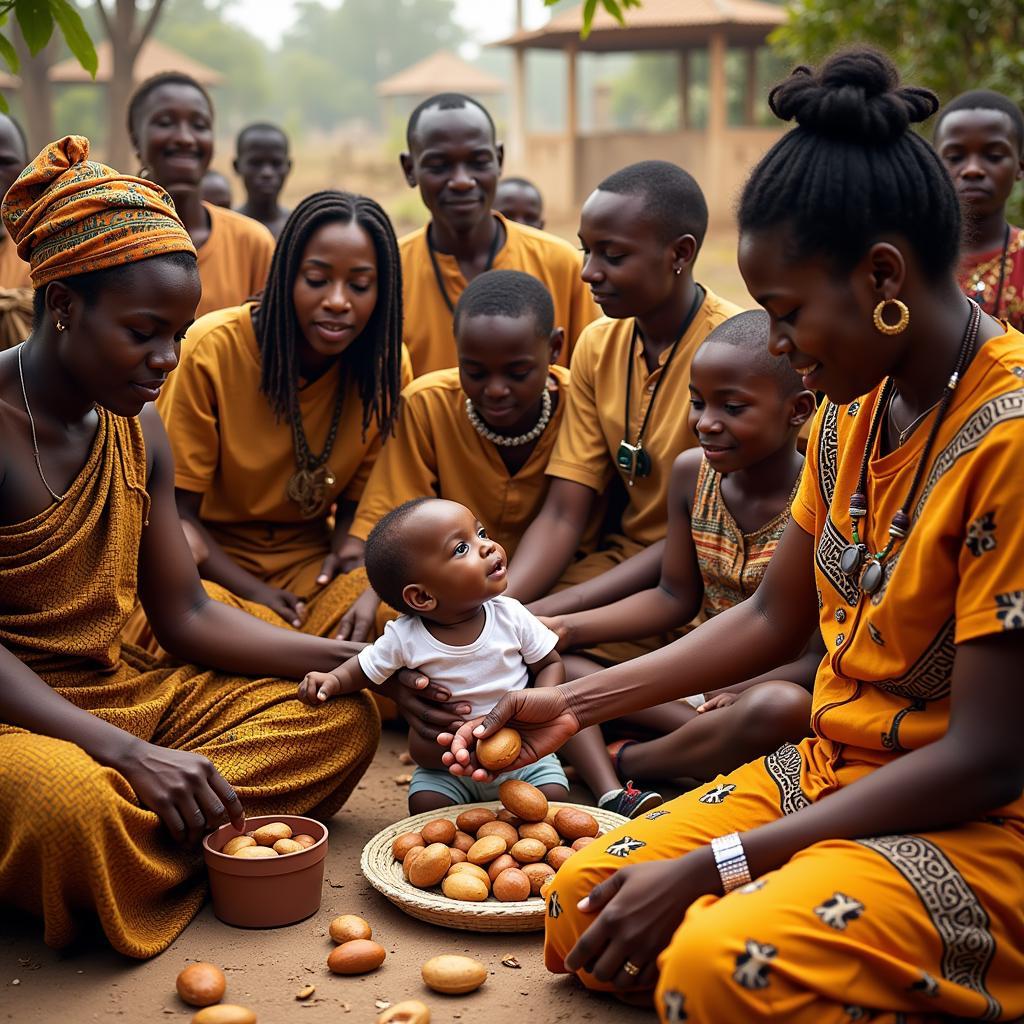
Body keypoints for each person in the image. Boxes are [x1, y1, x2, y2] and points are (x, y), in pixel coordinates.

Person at [444, 49, 1024, 1022]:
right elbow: (771, 613)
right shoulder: (852, 404)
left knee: (719, 960)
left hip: (973, 818)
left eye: (788, 314)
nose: (782, 347)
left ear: (881, 274)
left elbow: (989, 756)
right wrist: (571, 704)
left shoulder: (1007, 437)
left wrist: (724, 862)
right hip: (834, 765)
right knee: (583, 900)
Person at [0, 135, 380, 959]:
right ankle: (149, 830)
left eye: (177, 333)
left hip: (126, 683)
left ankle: (134, 839)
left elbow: (186, 613)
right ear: (63, 305)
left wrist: (363, 665)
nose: (167, 360)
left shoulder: (134, 422)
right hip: (17, 717)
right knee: (72, 808)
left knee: (343, 717)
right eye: (143, 333)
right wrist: (125, 753)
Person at [539, 311, 818, 810]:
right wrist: (568, 626)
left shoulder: (822, 497)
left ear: (798, 410)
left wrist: (744, 688)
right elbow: (673, 596)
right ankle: (642, 775)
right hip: (693, 682)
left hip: (762, 691)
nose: (706, 423)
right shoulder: (693, 475)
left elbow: (821, 654)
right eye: (697, 402)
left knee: (779, 710)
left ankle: (631, 761)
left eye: (732, 407)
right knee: (565, 664)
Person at [128, 191, 410, 647]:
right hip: (210, 570)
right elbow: (178, 517)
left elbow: (358, 504)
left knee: (404, 616)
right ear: (285, 277)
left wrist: (349, 554)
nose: (338, 301)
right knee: (173, 633)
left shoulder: (386, 365)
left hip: (310, 570)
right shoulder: (213, 348)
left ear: (383, 292)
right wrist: (256, 593)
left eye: (359, 286)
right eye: (317, 280)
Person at [507, 160, 744, 666]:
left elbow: (710, 536)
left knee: (537, 660)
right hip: (618, 568)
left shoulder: (738, 351)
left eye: (612, 255)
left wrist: (553, 615)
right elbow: (563, 511)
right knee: (478, 640)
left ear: (680, 253)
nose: (589, 271)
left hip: (714, 581)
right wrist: (503, 604)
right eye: (585, 250)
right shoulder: (597, 344)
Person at [339, 269, 597, 641]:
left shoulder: (583, 402)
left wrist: (498, 609)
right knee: (385, 619)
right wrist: (373, 592)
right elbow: (395, 530)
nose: (495, 390)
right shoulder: (427, 406)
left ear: (555, 349)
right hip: (452, 592)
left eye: (518, 371)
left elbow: (567, 518)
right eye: (474, 371)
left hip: (564, 581)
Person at [300, 498, 570, 813]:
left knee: (552, 798)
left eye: (480, 533)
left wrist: (539, 706)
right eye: (461, 549)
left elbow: (550, 663)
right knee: (425, 804)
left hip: (520, 754)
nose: (487, 547)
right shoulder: (405, 637)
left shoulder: (510, 615)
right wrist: (332, 681)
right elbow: (363, 667)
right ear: (423, 596)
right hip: (446, 768)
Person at [398, 92, 598, 375]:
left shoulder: (561, 264)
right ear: (410, 169)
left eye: (478, 162)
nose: (462, 181)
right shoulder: (388, 273)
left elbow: (590, 379)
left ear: (499, 160)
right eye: (439, 165)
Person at [128, 71, 274, 317]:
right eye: (165, 123)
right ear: (136, 141)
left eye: (199, 126)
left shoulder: (252, 244)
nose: (185, 138)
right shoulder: (110, 241)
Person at [934, 89, 1024, 330]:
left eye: (993, 156)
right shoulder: (910, 261)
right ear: (933, 166)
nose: (972, 169)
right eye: (955, 157)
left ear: (1019, 167)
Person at [234, 122, 293, 240]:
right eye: (256, 163)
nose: (267, 173)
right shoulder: (226, 227)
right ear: (236, 166)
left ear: (289, 167)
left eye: (276, 163)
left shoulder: (298, 227)